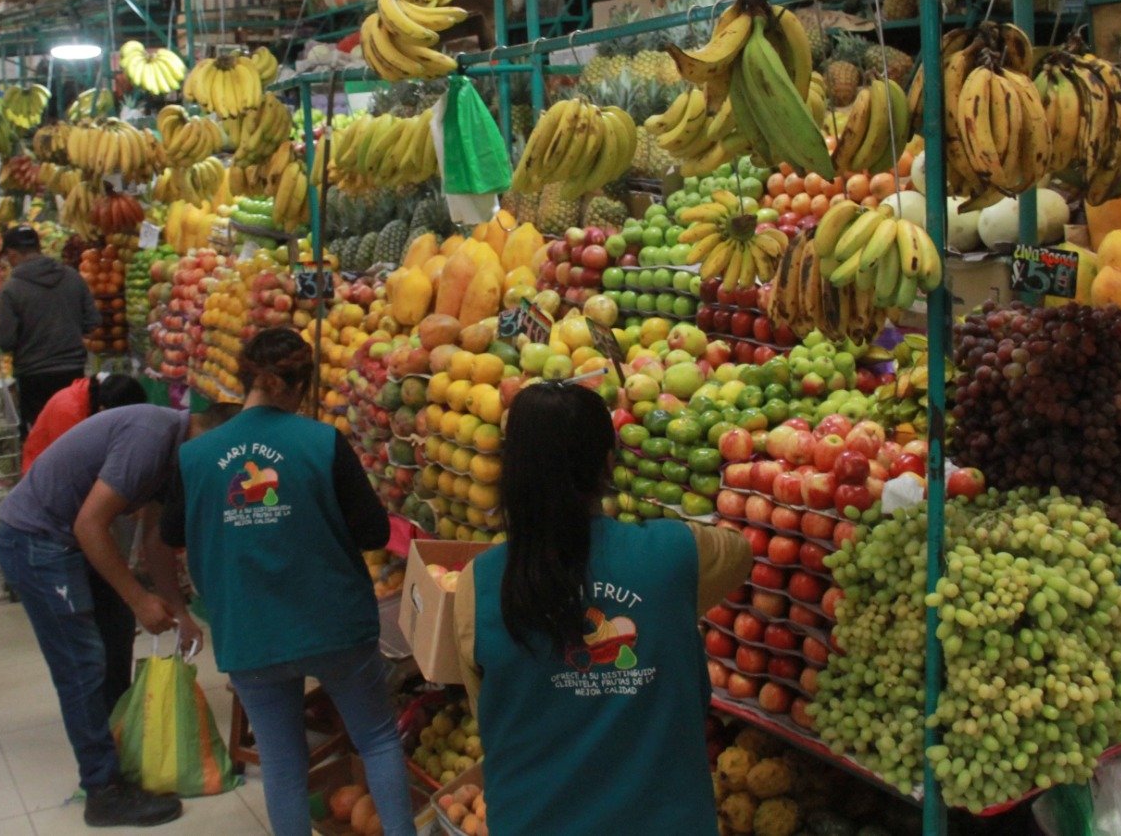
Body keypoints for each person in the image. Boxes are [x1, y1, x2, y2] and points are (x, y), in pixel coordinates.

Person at [451, 382, 753, 836]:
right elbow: (741, 553)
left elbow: (488, 709)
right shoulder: (676, 557)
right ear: (608, 464)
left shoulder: (478, 585)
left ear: (511, 471)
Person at [159, 328, 411, 836]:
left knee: (281, 760)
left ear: (244, 378)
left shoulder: (196, 456)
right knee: (377, 739)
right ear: (298, 385)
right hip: (334, 623)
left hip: (250, 630)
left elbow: (170, 532)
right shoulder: (322, 442)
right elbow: (373, 531)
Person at [0, 401, 238, 828]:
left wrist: (180, 612)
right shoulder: (150, 437)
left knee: (113, 642)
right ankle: (102, 791)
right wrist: (138, 599)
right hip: (39, 541)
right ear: (210, 436)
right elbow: (89, 525)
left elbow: (156, 542)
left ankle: (117, 753)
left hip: (73, 541)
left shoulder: (177, 457)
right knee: (82, 663)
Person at [0, 224, 98, 433]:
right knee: (73, 432)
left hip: (34, 377)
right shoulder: (72, 276)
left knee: (43, 438)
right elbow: (93, 321)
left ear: (12, 254)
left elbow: (6, 341)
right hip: (73, 372)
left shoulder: (10, 290)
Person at [21, 372, 147, 473]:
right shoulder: (68, 411)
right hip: (44, 475)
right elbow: (70, 466)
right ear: (103, 409)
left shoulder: (97, 391)